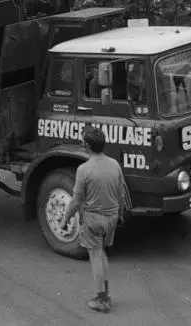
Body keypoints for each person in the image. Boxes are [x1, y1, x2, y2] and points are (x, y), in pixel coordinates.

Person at [59, 127, 127, 313]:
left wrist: (65, 220)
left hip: (94, 220)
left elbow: (76, 200)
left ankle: (102, 298)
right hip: (112, 217)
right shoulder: (114, 165)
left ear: (87, 146)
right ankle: (105, 291)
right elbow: (121, 195)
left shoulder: (84, 169)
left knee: (95, 255)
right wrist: (119, 215)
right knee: (101, 252)